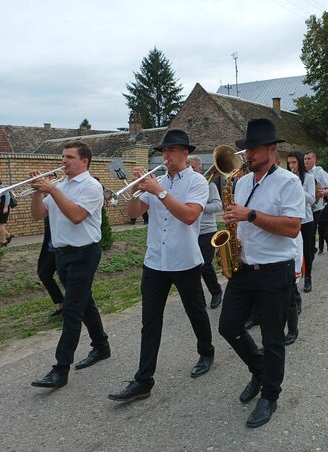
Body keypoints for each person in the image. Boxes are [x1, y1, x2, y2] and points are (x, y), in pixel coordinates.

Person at [108, 130, 215, 402]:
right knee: (150, 321)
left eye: (172, 150)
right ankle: (143, 380)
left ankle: (206, 350)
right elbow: (132, 214)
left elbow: (190, 216)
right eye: (163, 151)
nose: (166, 156)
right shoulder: (156, 182)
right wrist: (135, 190)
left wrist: (160, 191)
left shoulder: (197, 182)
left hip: (184, 260)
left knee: (196, 311)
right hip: (155, 261)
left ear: (185, 153)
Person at [218, 118, 304, 428]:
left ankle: (270, 396)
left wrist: (249, 215)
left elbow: (292, 228)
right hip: (243, 269)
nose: (247, 155)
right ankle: (259, 369)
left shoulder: (288, 182)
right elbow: (239, 220)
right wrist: (232, 227)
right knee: (228, 327)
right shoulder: (240, 183)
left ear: (271, 150)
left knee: (272, 339)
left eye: (252, 149)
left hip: (274, 271)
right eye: (246, 149)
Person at [29, 141, 110, 389]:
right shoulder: (61, 185)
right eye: (62, 156)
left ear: (84, 161)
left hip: (84, 254)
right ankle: (101, 345)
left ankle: (60, 369)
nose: (63, 161)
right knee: (84, 303)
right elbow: (37, 215)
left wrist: (52, 190)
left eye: (69, 157)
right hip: (61, 255)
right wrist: (37, 191)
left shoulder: (92, 186)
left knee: (72, 311)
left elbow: (76, 216)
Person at [187, 155, 224, 308]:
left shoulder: (209, 185)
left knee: (205, 265)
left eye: (193, 167)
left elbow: (217, 206)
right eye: (188, 167)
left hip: (207, 231)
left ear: (200, 168)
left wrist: (199, 206)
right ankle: (198, 298)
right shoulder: (186, 185)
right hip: (189, 232)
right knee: (192, 267)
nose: (190, 170)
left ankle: (216, 291)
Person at [287, 151, 315, 293]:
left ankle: (308, 276)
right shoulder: (286, 178)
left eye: (294, 162)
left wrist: (298, 187)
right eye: (289, 163)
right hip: (291, 219)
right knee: (292, 250)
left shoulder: (308, 178)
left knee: (307, 250)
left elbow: (312, 199)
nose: (291, 165)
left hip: (306, 219)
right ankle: (293, 279)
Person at [304, 151, 328, 254]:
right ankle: (310, 251)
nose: (306, 161)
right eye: (305, 159)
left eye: (309, 158)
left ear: (314, 160)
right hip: (303, 206)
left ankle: (310, 254)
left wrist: (323, 193)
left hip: (316, 207)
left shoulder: (319, 172)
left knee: (311, 233)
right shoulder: (302, 172)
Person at [38, 216, 64, 317]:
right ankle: (61, 302)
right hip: (51, 248)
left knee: (67, 278)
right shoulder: (49, 203)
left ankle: (75, 308)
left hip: (66, 248)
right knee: (44, 274)